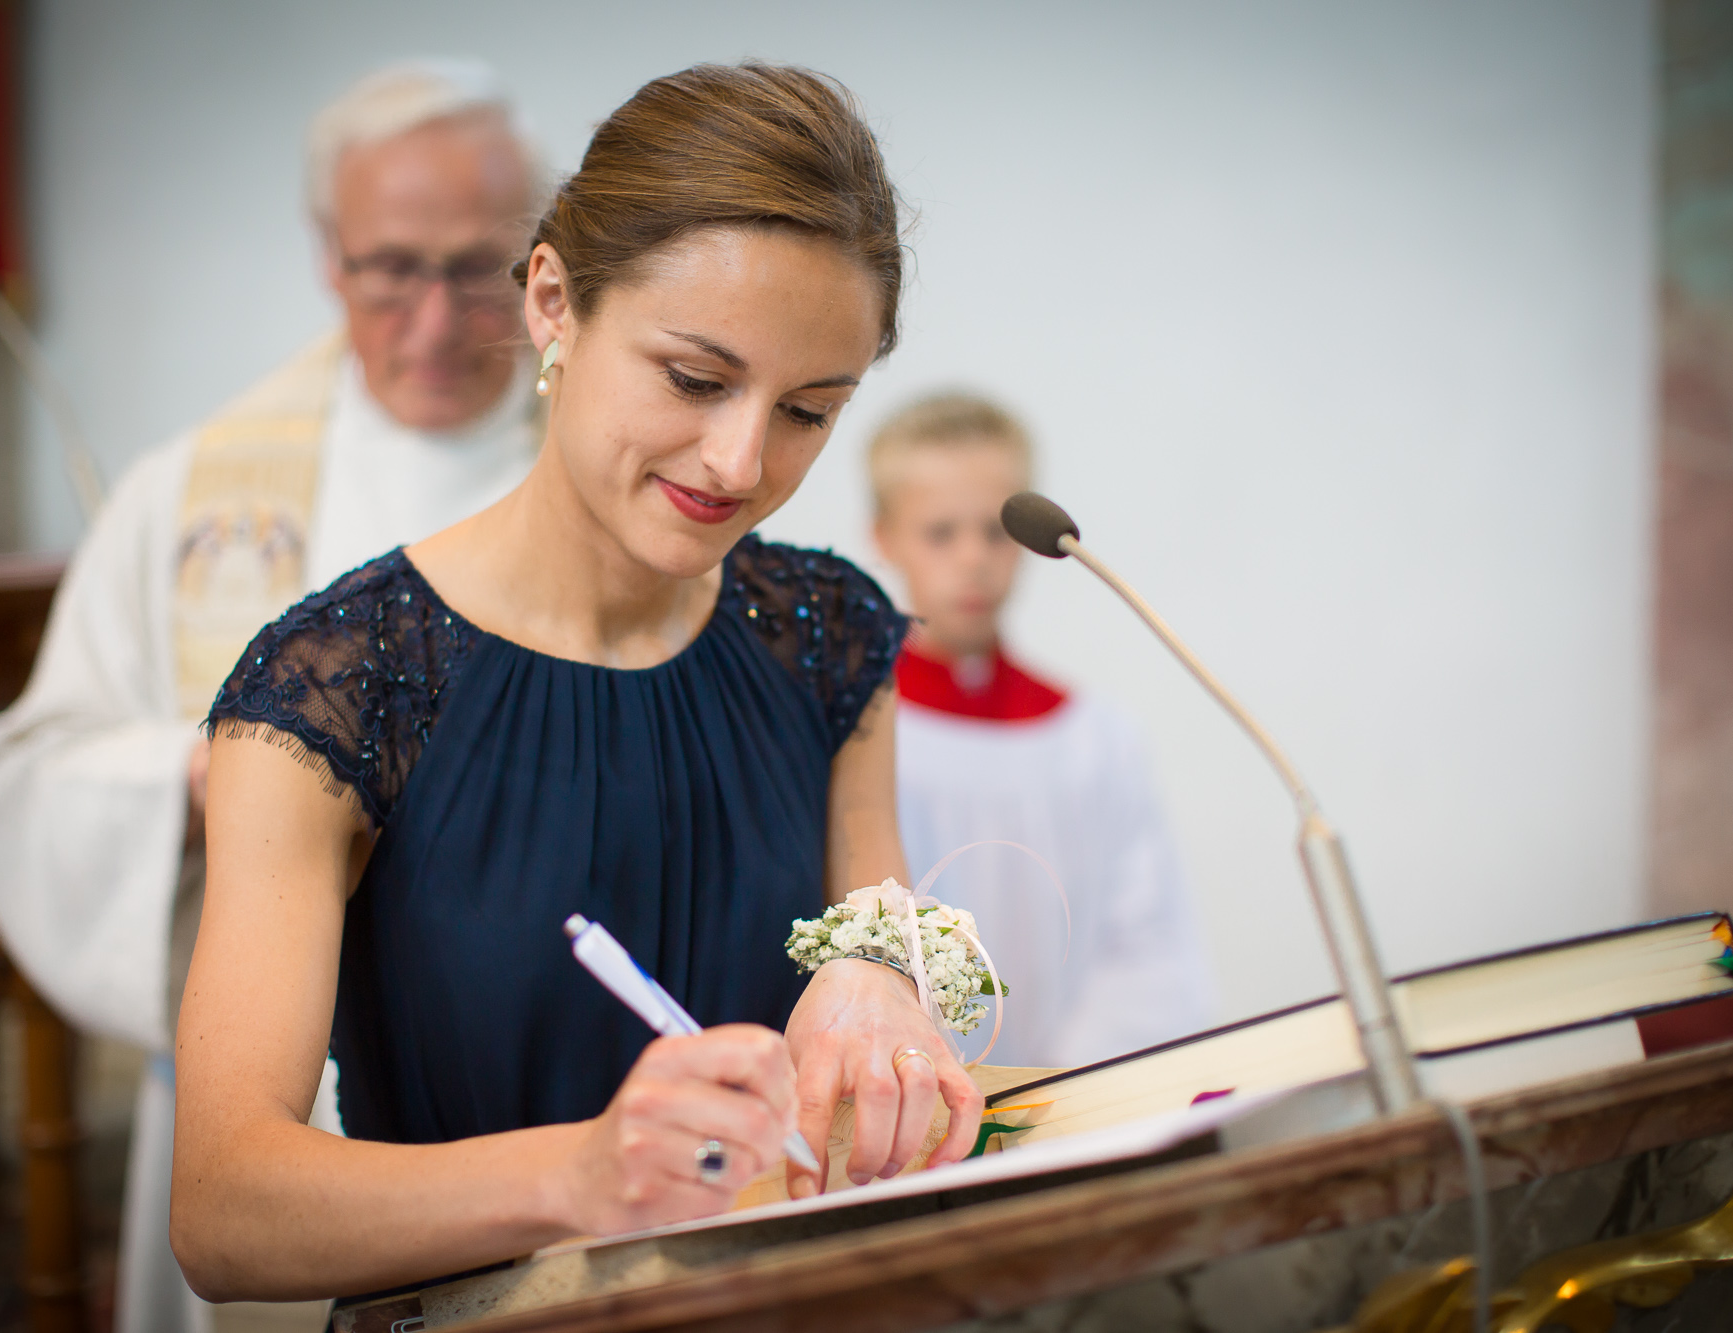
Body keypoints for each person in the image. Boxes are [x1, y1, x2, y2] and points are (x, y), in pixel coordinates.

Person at [169, 63, 984, 1302]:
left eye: (809, 411)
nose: (739, 461)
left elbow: (879, 913)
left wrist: (879, 976)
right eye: (694, 380)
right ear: (553, 300)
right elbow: (222, 1212)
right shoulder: (337, 689)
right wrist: (584, 1175)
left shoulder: (823, 634)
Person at [0, 60, 542, 1333]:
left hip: (548, 1075)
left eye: (475, 267)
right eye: (392, 270)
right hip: (285, 1093)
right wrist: (196, 771)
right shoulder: (196, 496)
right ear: (329, 256)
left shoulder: (624, 469)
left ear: (541, 259)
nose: (436, 319)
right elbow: (11, 779)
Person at [868, 393, 1215, 1067]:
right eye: (940, 532)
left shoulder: (1091, 738)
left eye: (996, 532)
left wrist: (1067, 1091)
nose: (973, 558)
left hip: (1079, 1097)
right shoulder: (861, 728)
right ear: (884, 537)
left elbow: (1145, 944)